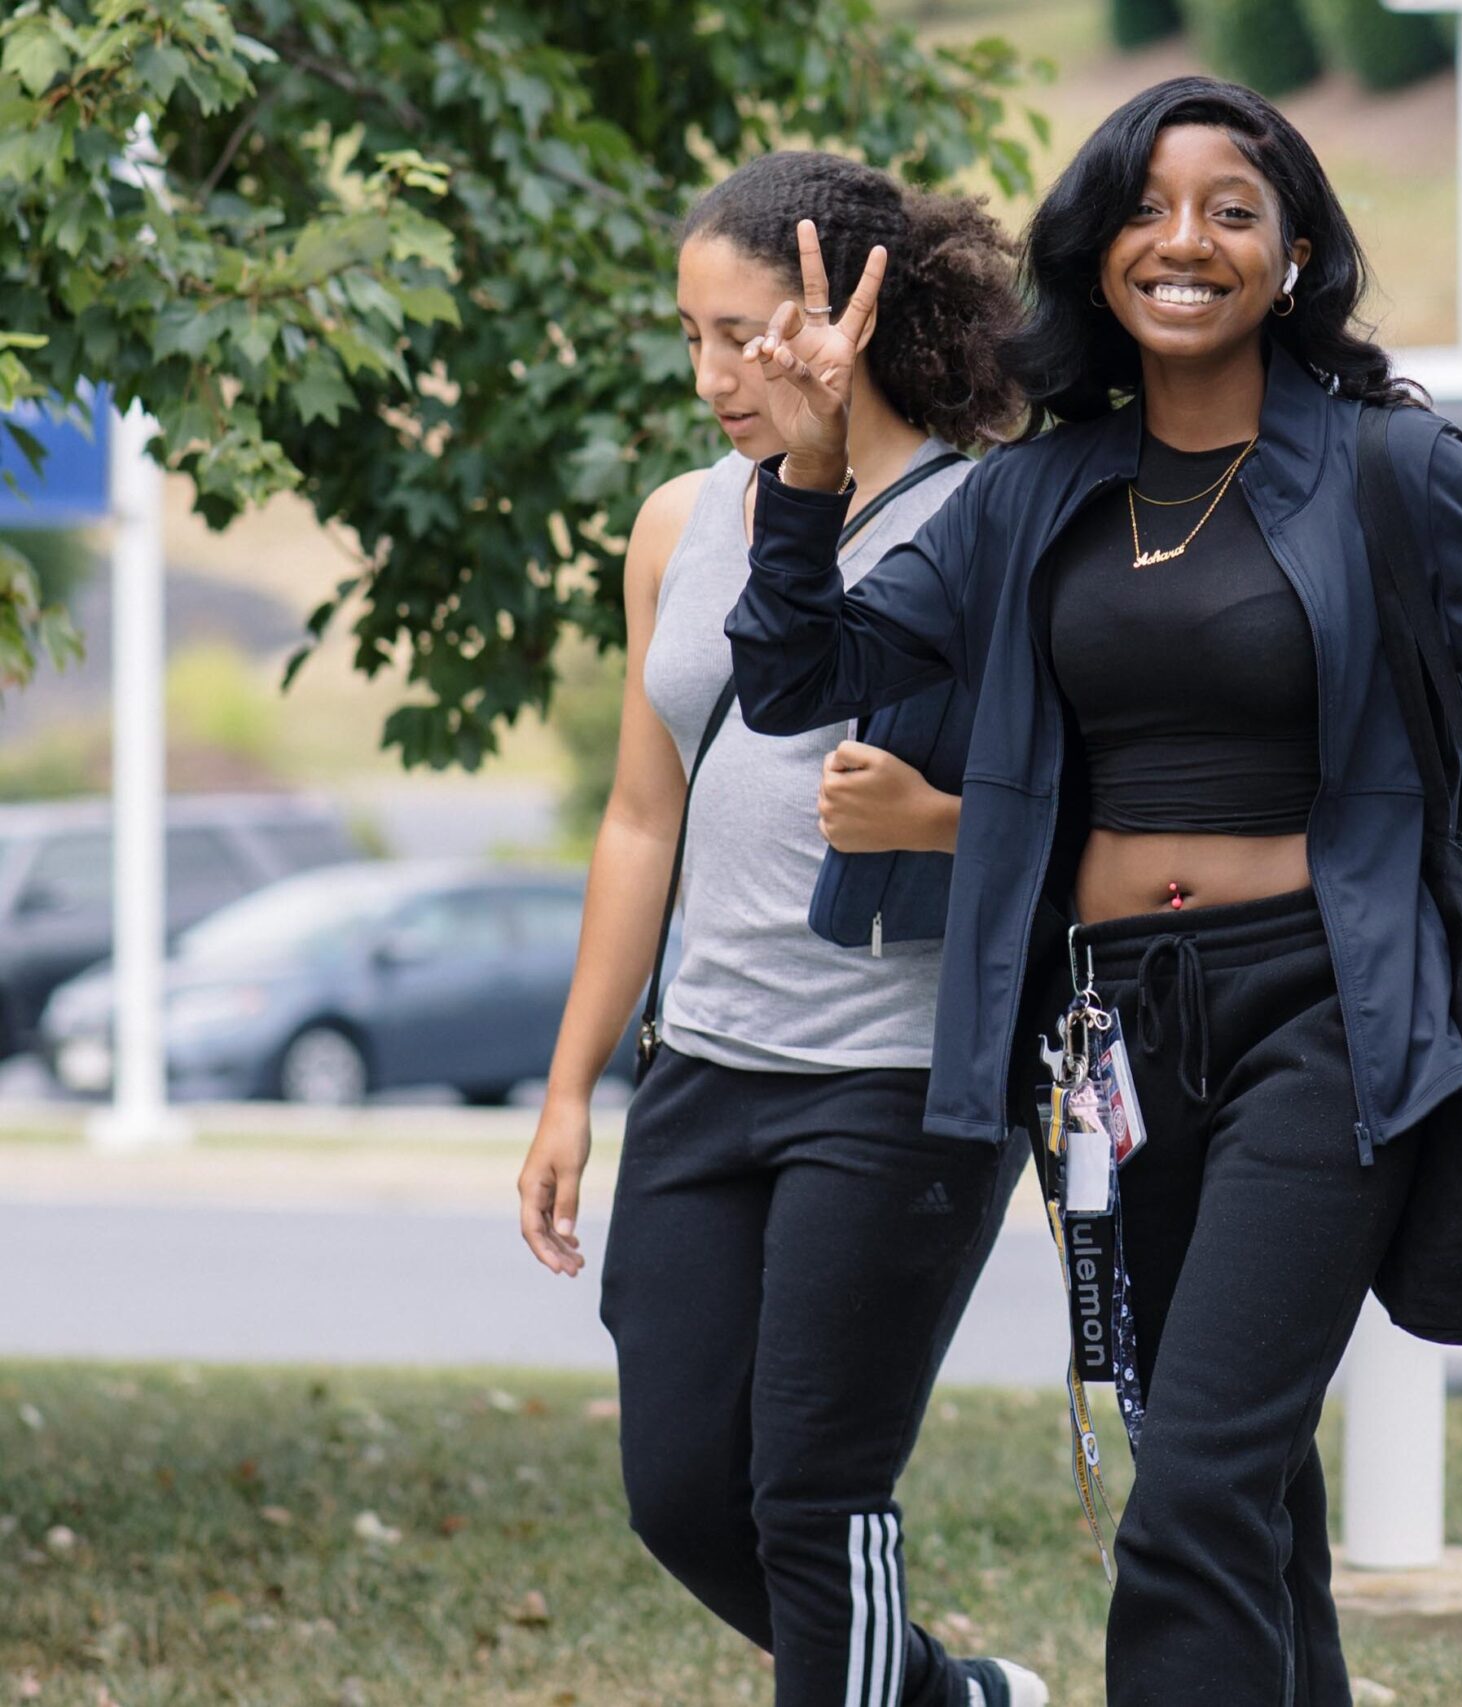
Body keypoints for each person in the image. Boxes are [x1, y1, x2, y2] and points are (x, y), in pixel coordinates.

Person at [723, 75, 1462, 1707]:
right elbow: (802, 675)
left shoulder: (1389, 466)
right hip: (1110, 1043)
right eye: (1150, 209)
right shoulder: (1028, 494)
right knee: (1254, 1494)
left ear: (1292, 258)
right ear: (1096, 256)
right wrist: (808, 487)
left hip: (1327, 1007)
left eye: (1235, 210)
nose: (1187, 240)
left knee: (1194, 1501)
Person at [514, 150, 1046, 1707]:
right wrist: (569, 1087)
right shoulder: (682, 523)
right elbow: (639, 817)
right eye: (692, 335)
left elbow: (1085, 788)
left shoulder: (993, 516)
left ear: (846, 317)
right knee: (681, 1490)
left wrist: (940, 822)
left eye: (742, 333)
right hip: (707, 1065)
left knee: (818, 1496)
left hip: (894, 1083)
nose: (715, 375)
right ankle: (948, 1697)